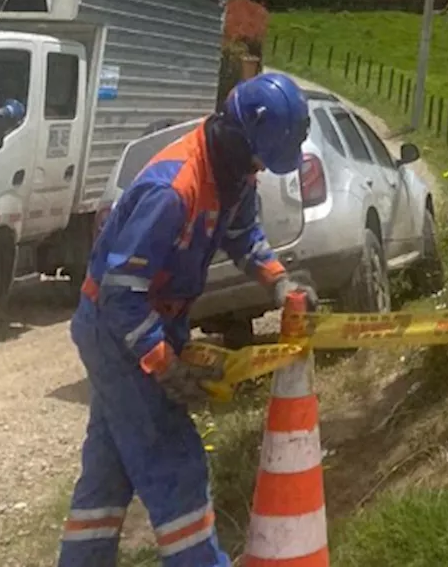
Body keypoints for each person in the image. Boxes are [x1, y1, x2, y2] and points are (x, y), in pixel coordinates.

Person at [58, 72, 320, 567]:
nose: (261, 169)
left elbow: (243, 234)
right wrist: (164, 364)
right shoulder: (173, 190)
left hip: (150, 320)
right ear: (241, 138)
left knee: (108, 473)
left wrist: (279, 282)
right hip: (117, 329)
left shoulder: (234, 170)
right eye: (261, 158)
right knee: (173, 461)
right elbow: (121, 296)